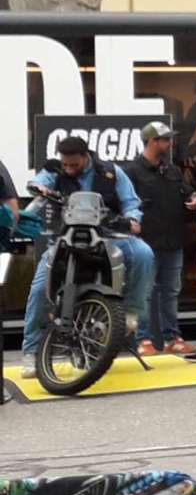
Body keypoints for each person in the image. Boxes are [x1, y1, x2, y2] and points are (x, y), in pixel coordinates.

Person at [21, 134, 156, 366]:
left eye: (73, 164)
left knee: (144, 254)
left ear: (86, 156)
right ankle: (31, 351)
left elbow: (131, 202)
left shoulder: (111, 172)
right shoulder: (55, 171)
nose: (69, 168)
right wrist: (38, 187)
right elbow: (38, 185)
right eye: (65, 164)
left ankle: (132, 314)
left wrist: (133, 218)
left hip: (108, 234)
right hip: (68, 236)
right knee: (40, 286)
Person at [124, 120, 194, 360]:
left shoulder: (171, 169)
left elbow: (188, 191)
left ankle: (172, 337)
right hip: (145, 243)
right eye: (165, 139)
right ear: (153, 141)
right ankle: (142, 339)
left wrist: (194, 198)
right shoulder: (132, 171)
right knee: (144, 291)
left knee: (171, 291)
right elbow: (124, 203)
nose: (170, 143)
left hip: (173, 240)